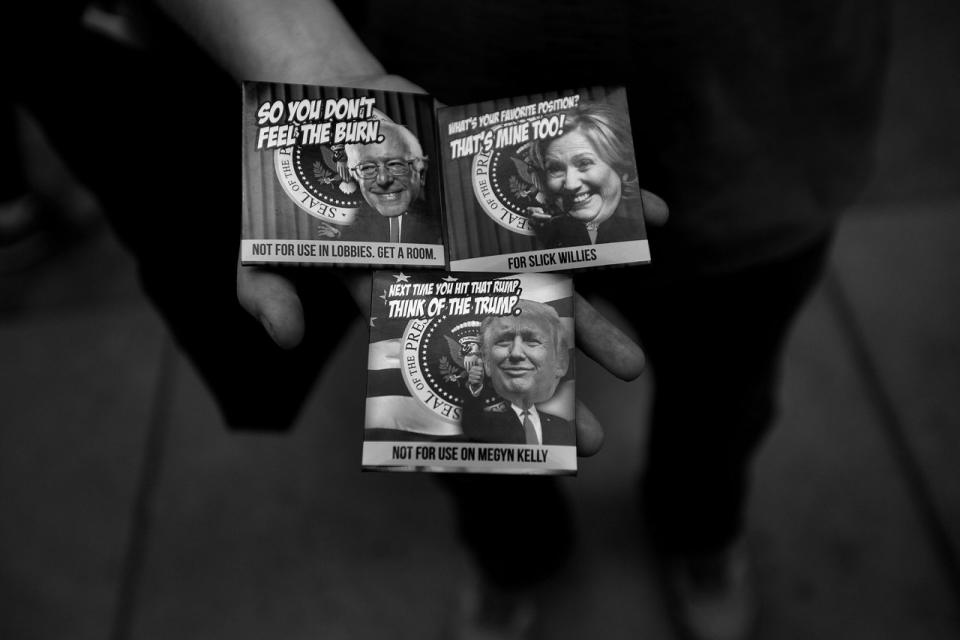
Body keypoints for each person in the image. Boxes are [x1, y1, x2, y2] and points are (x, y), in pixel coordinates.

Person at [527, 102, 646, 249]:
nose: (570, 185)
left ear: (622, 168)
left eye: (584, 162)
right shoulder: (545, 236)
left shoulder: (641, 232)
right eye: (555, 168)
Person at [461, 300, 575, 446]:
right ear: (486, 361)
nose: (516, 353)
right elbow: (472, 426)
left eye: (532, 341)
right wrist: (475, 387)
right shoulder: (491, 422)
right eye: (503, 341)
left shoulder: (561, 426)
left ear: (560, 362)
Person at [318, 118, 440, 244]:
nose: (383, 179)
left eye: (395, 165)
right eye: (368, 168)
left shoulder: (437, 221)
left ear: (421, 173)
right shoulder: (364, 217)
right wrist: (339, 236)